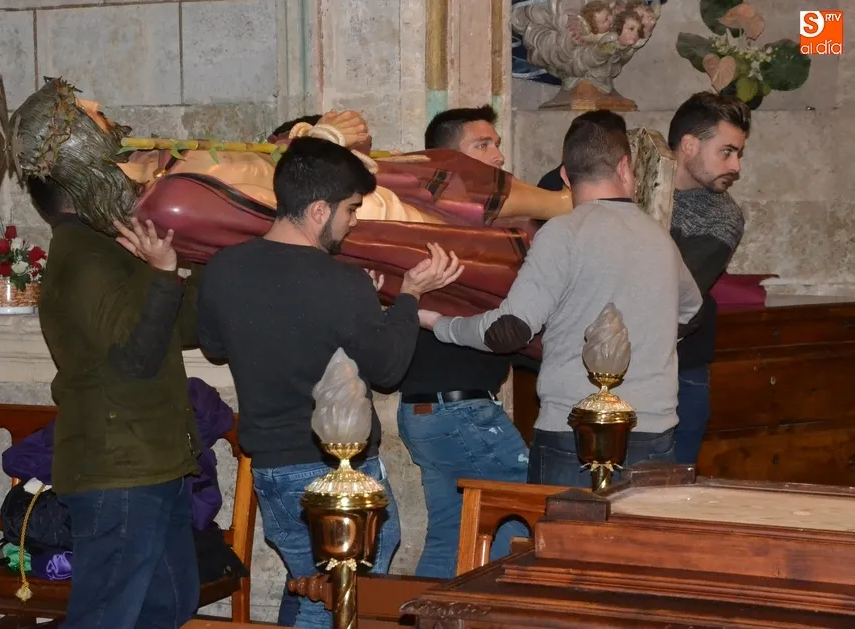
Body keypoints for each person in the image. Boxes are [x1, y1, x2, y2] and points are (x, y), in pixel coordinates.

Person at [197, 136, 463, 629]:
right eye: (351, 209)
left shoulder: (223, 267)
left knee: (308, 586)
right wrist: (409, 297)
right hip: (337, 472)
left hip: (270, 467)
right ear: (319, 210)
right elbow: (388, 370)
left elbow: (213, 345)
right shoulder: (342, 281)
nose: (354, 221)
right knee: (344, 598)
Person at [418, 110, 703, 488]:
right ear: (625, 168)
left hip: (575, 432)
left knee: (565, 530)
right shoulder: (659, 239)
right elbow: (692, 312)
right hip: (652, 429)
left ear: (566, 177)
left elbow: (509, 330)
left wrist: (439, 323)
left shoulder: (562, 233)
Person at [33, 175, 202, 629]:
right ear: (83, 184)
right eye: (112, 171)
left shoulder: (109, 247)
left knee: (170, 602)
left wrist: (204, 254)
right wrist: (162, 273)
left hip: (151, 461)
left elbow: (181, 329)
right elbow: (135, 359)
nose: (129, 183)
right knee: (107, 617)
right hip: (120, 469)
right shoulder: (84, 256)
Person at [397, 105, 530, 579]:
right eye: (482, 145)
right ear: (448, 161)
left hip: (428, 411)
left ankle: (427, 611)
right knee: (524, 519)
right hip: (460, 411)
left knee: (451, 537)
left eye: (497, 144)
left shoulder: (434, 224)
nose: (498, 156)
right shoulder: (441, 231)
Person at [667, 91, 751, 464]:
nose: (736, 166)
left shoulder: (722, 217)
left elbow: (668, 291)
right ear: (689, 145)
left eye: (739, 154)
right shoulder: (623, 180)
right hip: (603, 366)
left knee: (667, 490)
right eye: (726, 152)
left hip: (679, 374)